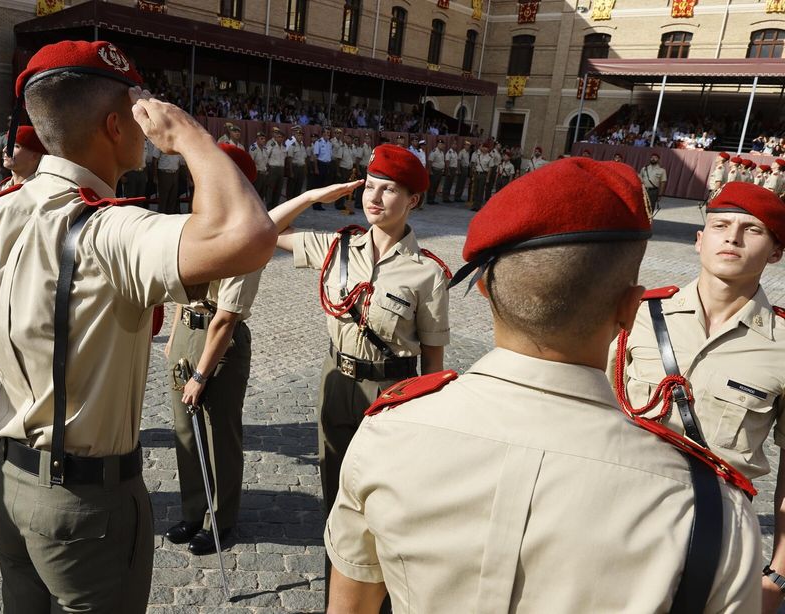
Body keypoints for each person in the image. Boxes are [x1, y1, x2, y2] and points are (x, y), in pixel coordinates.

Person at [325, 158, 761, 613]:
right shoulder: (715, 514)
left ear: (484, 291)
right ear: (631, 310)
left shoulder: (385, 437)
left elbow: (349, 605)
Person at [0, 40, 276, 612]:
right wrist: (189, 133)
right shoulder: (109, 229)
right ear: (116, 125)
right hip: (87, 503)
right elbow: (247, 235)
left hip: (12, 484)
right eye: (139, 111)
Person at [270, 144, 450, 609]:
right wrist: (315, 195)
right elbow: (263, 228)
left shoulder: (426, 273)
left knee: (384, 497)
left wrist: (425, 420)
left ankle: (382, 588)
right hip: (337, 383)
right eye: (370, 185)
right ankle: (340, 580)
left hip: (390, 391)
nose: (375, 197)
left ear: (413, 200)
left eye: (389, 189)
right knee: (334, 488)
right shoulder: (337, 247)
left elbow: (433, 358)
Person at [610, 181, 783, 614]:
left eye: (753, 229)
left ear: (777, 252)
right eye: (721, 225)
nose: (733, 237)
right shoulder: (638, 314)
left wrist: (778, 574)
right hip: (613, 516)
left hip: (713, 533)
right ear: (699, 240)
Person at [164, 143, 262, 556]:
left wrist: (201, 374)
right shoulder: (195, 226)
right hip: (188, 330)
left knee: (219, 435)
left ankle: (221, 521)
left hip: (219, 343)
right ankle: (192, 511)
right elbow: (181, 288)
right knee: (185, 433)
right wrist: (174, 336)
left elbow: (226, 318)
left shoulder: (248, 235)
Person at [0, 125, 46, 191]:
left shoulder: (39, 191)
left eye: (15, 146)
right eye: (8, 145)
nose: (5, 150)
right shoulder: (4, 186)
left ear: (35, 156)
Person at [154, 147, 185, 214]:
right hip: (164, 173)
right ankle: (161, 217)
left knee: (172, 198)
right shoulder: (161, 143)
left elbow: (181, 162)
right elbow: (155, 159)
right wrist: (155, 176)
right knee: (163, 198)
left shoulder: (177, 145)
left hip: (175, 173)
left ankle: (170, 217)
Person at [266, 127, 287, 209]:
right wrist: (267, 168)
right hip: (273, 168)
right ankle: (269, 206)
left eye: (281, 137)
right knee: (270, 188)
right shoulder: (271, 144)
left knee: (278, 188)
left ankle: (275, 205)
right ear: (275, 137)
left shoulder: (283, 147)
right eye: (278, 137)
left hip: (281, 169)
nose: (280, 138)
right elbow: (266, 155)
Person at [470, 141, 494, 211]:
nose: (484, 149)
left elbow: (490, 169)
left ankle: (478, 206)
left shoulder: (490, 157)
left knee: (480, 191)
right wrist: (473, 172)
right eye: (483, 147)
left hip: (483, 175)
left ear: (488, 149)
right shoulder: (478, 155)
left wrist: (488, 178)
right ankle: (474, 205)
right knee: (475, 190)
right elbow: (475, 165)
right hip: (477, 174)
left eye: (486, 147)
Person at [286, 126, 308, 200]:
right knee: (291, 186)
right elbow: (289, 159)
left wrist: (305, 169)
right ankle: (289, 202)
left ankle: (296, 202)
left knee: (299, 186)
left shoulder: (303, 146)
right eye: (298, 135)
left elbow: (304, 159)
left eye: (301, 135)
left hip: (301, 168)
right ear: (295, 136)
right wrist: (291, 172)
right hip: (295, 168)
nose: (300, 137)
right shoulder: (292, 146)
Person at [427, 140, 447, 205]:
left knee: (436, 185)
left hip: (439, 171)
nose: (441, 145)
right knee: (432, 186)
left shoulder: (442, 152)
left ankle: (433, 199)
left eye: (442, 144)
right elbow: (430, 161)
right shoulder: (434, 151)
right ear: (437, 144)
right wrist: (430, 171)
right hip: (434, 170)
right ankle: (429, 199)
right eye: (440, 144)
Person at [0, 115, 13, 179]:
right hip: (6, 163)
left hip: (18, 162)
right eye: (10, 121)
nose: (12, 122)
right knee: (6, 182)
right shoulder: (3, 136)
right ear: (8, 123)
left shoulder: (21, 135)